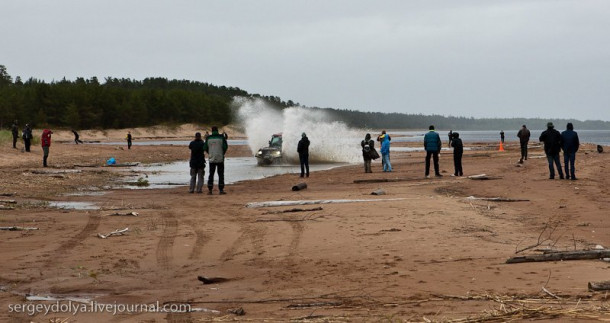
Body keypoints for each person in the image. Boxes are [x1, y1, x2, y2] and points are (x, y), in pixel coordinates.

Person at [204, 126, 228, 194]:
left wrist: (210, 153)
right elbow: (225, 147)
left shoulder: (208, 138)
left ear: (212, 131)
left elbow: (205, 147)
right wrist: (222, 153)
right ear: (217, 130)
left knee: (211, 174)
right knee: (221, 174)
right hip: (220, 158)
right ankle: (221, 190)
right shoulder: (221, 137)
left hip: (211, 159)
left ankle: (210, 190)